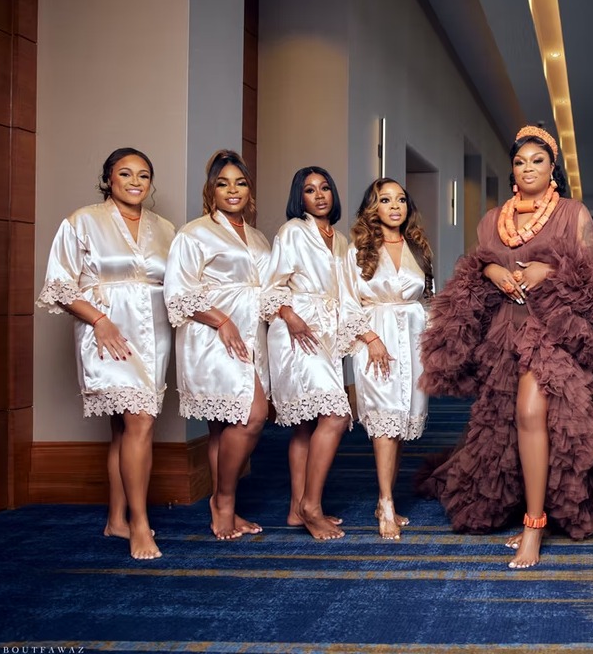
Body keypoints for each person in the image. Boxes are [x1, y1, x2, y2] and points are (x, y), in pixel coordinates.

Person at [419, 125, 593, 569]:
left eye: (538, 160)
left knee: (530, 413)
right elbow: (477, 264)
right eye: (520, 161)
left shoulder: (572, 213)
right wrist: (491, 272)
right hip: (504, 330)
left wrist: (549, 271)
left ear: (552, 168)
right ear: (512, 170)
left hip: (552, 329)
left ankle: (534, 526)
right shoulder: (491, 220)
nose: (528, 168)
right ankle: (529, 509)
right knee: (508, 424)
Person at [37, 148, 175, 560]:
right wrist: (99, 320)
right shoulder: (82, 221)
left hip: (155, 335)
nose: (135, 182)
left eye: (143, 175)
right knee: (140, 421)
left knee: (125, 428)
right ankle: (140, 525)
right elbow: (59, 285)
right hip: (106, 332)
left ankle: (116, 519)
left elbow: (177, 284)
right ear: (108, 179)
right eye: (125, 173)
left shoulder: (165, 228)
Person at [164, 150, 271, 540]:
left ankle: (225, 503)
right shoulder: (194, 233)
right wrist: (222, 321)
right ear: (211, 190)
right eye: (223, 183)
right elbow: (178, 292)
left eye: (240, 183)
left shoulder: (257, 236)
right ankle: (223, 501)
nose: (233, 190)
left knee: (223, 427)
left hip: (252, 335)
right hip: (212, 337)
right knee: (252, 415)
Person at [339, 178, 433, 540]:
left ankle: (385, 500)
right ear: (372, 208)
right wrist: (370, 338)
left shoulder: (417, 248)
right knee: (384, 422)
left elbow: (427, 300)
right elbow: (348, 302)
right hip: (376, 338)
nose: (395, 206)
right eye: (385, 200)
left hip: (413, 339)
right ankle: (387, 502)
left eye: (401, 200)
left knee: (402, 421)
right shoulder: (358, 250)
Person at [261, 167, 352, 540]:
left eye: (325, 188)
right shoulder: (292, 232)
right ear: (300, 197)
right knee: (335, 414)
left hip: (327, 333)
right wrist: (289, 316)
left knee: (306, 425)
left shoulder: (341, 240)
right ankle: (312, 507)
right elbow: (271, 287)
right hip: (296, 331)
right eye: (310, 190)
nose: (319, 195)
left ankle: (296, 508)